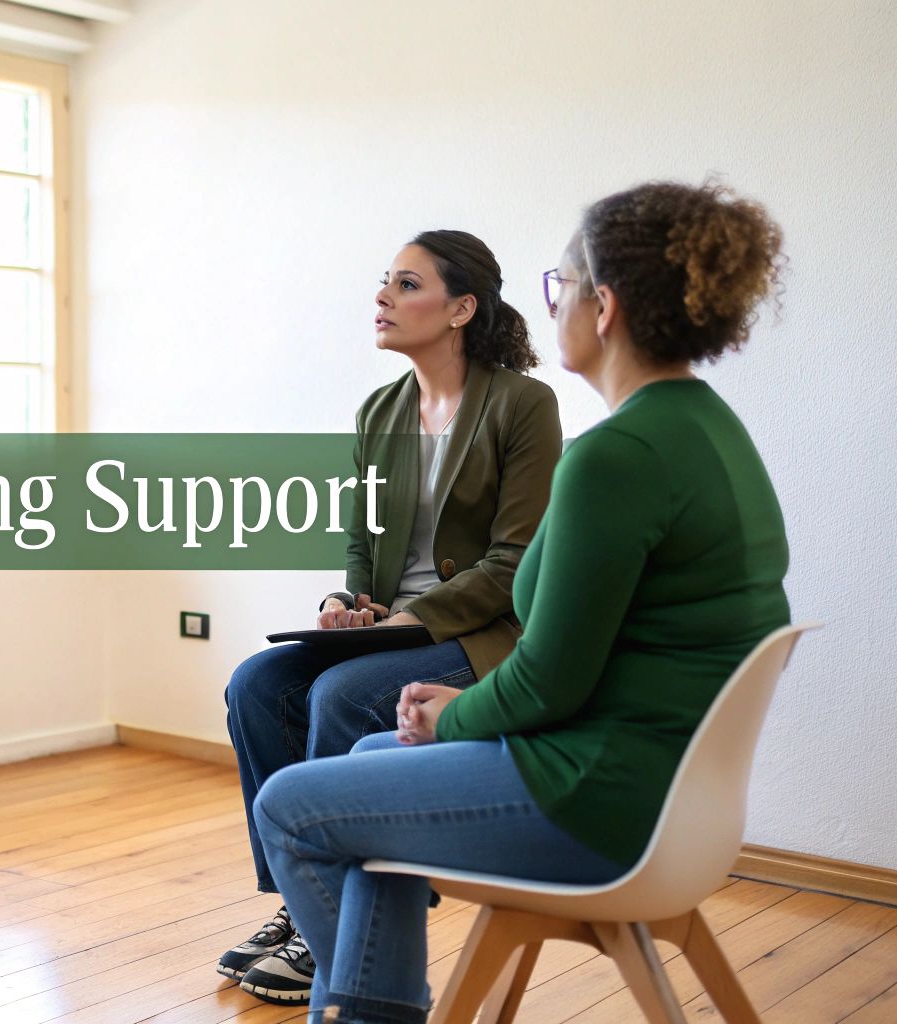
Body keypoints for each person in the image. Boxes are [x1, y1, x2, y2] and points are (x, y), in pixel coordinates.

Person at [252, 181, 791, 1024]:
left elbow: (546, 683)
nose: (553, 307)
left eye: (560, 286)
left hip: (603, 797)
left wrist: (451, 716)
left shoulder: (615, 456)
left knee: (291, 804)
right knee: (357, 764)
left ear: (603, 306)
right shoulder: (704, 425)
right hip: (668, 787)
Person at [220, 231, 562, 1004]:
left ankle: (335, 930)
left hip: (477, 636)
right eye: (385, 282)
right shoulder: (381, 410)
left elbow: (515, 562)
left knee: (344, 696)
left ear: (461, 309)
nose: (382, 296)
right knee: (256, 683)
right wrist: (347, 604)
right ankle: (300, 904)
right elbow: (361, 542)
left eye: (406, 285)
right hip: (392, 628)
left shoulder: (522, 404)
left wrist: (405, 625)